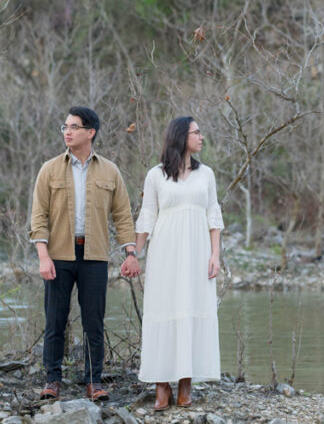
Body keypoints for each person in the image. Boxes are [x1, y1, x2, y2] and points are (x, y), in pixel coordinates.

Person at [28, 106, 141, 402]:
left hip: (94, 256)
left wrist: (130, 253)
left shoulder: (110, 171)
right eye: (65, 126)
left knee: (93, 322)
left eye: (74, 127)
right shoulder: (49, 169)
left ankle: (94, 382)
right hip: (59, 255)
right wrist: (43, 255)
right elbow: (38, 216)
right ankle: (52, 380)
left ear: (90, 132)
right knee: (55, 322)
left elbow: (123, 216)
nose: (67, 131)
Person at [132, 116, 224, 411]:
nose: (202, 137)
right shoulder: (156, 175)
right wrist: (134, 253)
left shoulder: (206, 174)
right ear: (181, 136)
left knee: (191, 309)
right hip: (165, 253)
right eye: (197, 132)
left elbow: (213, 216)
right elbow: (147, 217)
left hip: (197, 253)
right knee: (164, 310)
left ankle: (185, 384)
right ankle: (162, 385)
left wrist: (215, 255)